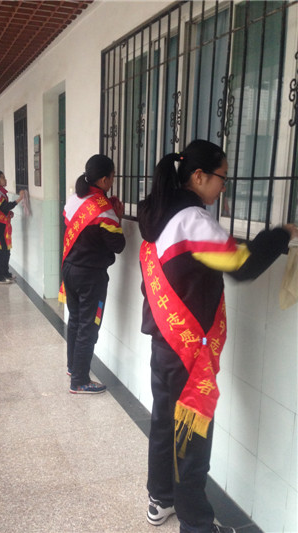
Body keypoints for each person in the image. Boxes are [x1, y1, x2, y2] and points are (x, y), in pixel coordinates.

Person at [137, 139, 298, 533]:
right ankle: (196, 524)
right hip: (187, 354)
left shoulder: (159, 214)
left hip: (164, 342)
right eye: (222, 177)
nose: (224, 186)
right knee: (191, 439)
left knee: (164, 424)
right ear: (198, 176)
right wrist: (281, 235)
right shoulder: (193, 220)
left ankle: (161, 499)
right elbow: (240, 264)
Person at [61, 154, 125, 394]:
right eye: (113, 177)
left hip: (69, 268)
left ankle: (73, 367)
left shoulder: (74, 199)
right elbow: (118, 245)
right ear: (105, 180)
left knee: (76, 320)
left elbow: (70, 224)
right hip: (90, 276)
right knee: (89, 326)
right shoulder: (104, 210)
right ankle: (79, 381)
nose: (113, 181)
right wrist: (118, 217)